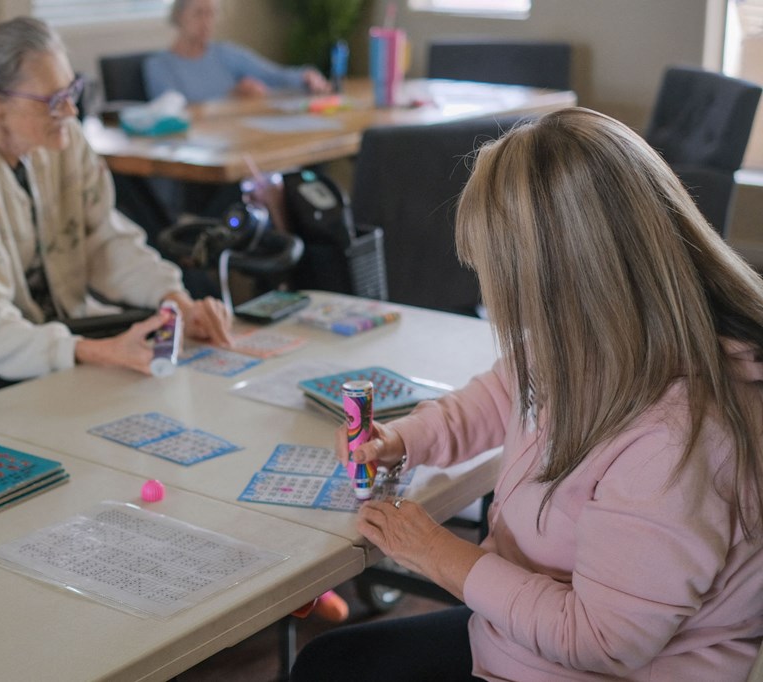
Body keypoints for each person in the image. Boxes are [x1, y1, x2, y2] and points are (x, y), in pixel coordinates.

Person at [291, 108, 763, 681]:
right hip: (522, 642)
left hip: (595, 664)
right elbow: (504, 392)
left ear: (564, 280)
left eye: (500, 279)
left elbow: (599, 641)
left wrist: (438, 554)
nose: (496, 299)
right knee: (328, 662)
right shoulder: (594, 335)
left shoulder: (676, 439)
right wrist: (406, 439)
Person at [0, 18, 232, 382]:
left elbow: (103, 240)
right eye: (52, 101)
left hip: (63, 331)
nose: (70, 111)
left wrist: (175, 300)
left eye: (71, 91)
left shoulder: (63, 140)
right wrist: (97, 351)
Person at [143, 0, 331, 103]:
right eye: (199, 13)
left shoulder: (225, 53)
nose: (207, 22)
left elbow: (273, 75)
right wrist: (230, 97)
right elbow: (173, 113)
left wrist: (306, 76)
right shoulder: (159, 66)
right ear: (178, 15)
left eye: (211, 13)